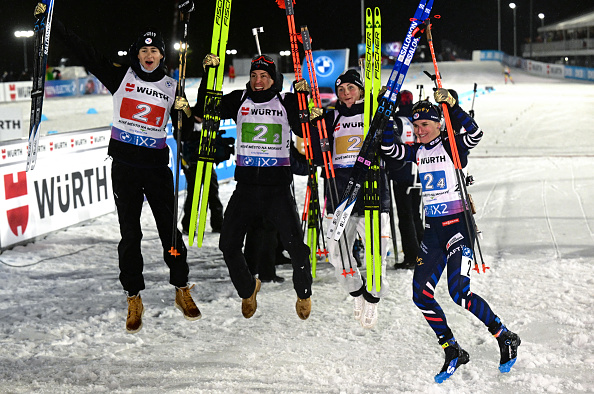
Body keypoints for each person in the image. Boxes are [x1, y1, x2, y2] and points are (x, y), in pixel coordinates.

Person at [44, 0, 202, 333]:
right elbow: (83, 51)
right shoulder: (121, 76)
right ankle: (133, 295)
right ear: (137, 54)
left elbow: (188, 127)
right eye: (144, 49)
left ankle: (181, 287)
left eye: (154, 50)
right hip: (125, 169)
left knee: (169, 233)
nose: (149, 54)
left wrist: (186, 113)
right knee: (130, 235)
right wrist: (52, 22)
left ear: (161, 55)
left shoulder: (173, 87)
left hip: (158, 169)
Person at [381, 89, 520, 382]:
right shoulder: (418, 150)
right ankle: (452, 349)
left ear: (438, 124)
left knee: (459, 293)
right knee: (421, 294)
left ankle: (504, 335)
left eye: (425, 126)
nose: (419, 131)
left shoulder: (452, 145)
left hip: (459, 228)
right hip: (433, 232)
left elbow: (476, 132)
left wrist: (453, 107)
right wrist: (385, 120)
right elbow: (391, 151)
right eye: (416, 127)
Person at [195, 53, 313, 320]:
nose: (258, 81)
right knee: (227, 244)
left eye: (264, 76)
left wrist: (305, 99)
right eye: (254, 75)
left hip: (277, 189)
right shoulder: (239, 99)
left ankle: (303, 292)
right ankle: (248, 289)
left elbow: (305, 129)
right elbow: (205, 109)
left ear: (274, 79)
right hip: (246, 187)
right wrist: (207, 76)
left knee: (295, 246)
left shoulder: (286, 101)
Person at [310, 70, 391, 329]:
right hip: (339, 194)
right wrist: (313, 125)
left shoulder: (373, 111)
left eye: (351, 88)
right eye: (341, 89)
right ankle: (356, 292)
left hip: (372, 191)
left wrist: (386, 103)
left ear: (360, 89)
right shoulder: (330, 117)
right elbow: (315, 152)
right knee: (338, 252)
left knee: (376, 252)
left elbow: (391, 137)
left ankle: (373, 298)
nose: (346, 93)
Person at [383, 90, 424, 270]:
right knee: (415, 215)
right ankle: (422, 253)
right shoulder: (415, 120)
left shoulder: (397, 120)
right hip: (418, 174)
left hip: (403, 174)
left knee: (406, 217)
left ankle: (412, 256)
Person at [179, 116, 228, 234]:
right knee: (194, 196)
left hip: (207, 164)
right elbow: (183, 143)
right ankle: (188, 226)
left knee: (213, 193)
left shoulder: (209, 124)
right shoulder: (187, 125)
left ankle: (218, 224)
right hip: (192, 165)